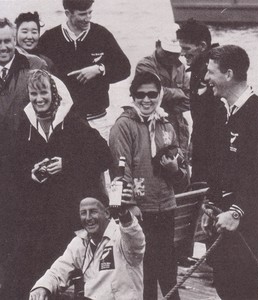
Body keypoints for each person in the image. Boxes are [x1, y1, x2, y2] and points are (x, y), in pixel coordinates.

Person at [11, 69, 113, 299]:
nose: (38, 99)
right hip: (38, 214)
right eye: (34, 93)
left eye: (43, 92)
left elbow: (104, 156)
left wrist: (67, 164)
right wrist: (34, 174)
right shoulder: (25, 124)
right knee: (22, 271)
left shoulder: (73, 121)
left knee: (58, 268)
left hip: (69, 213)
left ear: (53, 93)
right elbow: (15, 169)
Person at [202, 45, 258, 300]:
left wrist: (236, 211)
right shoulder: (225, 111)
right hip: (227, 210)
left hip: (254, 213)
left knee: (252, 286)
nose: (205, 78)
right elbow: (221, 166)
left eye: (210, 72)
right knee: (224, 282)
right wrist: (211, 203)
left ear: (228, 74)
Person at [109, 71, 188, 300]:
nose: (146, 100)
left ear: (160, 95)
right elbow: (119, 171)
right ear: (132, 96)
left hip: (166, 207)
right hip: (141, 211)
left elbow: (183, 178)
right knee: (145, 274)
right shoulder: (123, 126)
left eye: (152, 94)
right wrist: (130, 204)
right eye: (140, 94)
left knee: (168, 270)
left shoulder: (166, 126)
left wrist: (175, 170)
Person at [0, 18, 46, 300]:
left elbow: (57, 109)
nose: (4, 47)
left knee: (31, 237)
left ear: (15, 40)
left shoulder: (34, 67)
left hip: (29, 169)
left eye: (8, 40)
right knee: (0, 238)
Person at [37, 0, 131, 141]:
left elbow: (124, 67)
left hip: (97, 119)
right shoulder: (50, 38)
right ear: (68, 13)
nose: (88, 18)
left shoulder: (102, 34)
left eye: (90, 12)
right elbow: (35, 71)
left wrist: (99, 69)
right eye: (82, 14)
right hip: (63, 120)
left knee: (100, 160)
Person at [29, 193, 145, 300]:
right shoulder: (80, 241)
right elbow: (59, 270)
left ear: (107, 213)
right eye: (83, 213)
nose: (88, 218)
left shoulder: (121, 236)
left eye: (93, 211)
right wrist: (43, 287)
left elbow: (135, 239)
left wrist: (124, 215)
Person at [176, 18, 225, 184]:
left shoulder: (211, 71)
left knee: (204, 187)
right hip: (204, 140)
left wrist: (196, 143)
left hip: (214, 146)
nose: (182, 54)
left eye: (186, 48)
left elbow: (216, 113)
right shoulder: (202, 66)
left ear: (202, 46)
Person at [135, 26, 191, 168]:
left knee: (180, 167)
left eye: (175, 53)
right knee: (153, 166)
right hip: (152, 125)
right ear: (157, 45)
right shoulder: (145, 65)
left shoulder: (180, 66)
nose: (171, 57)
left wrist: (169, 97)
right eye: (167, 52)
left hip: (178, 126)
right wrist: (178, 93)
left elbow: (190, 99)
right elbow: (153, 92)